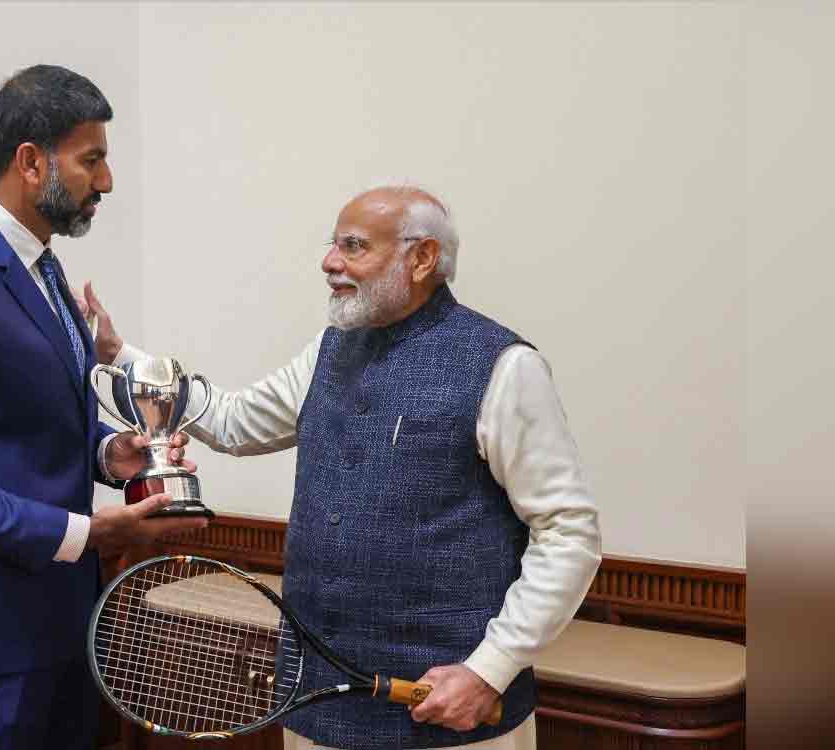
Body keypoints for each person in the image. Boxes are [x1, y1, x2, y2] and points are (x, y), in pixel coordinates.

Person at [86, 186, 602, 750]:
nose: (329, 261)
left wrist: (489, 669)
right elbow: (235, 422)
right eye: (333, 244)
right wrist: (122, 359)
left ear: (422, 258)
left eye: (353, 246)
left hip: (450, 718)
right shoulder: (328, 349)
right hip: (314, 711)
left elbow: (568, 534)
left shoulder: (504, 366)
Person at [0, 64, 207, 750]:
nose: (105, 182)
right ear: (30, 162)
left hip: (62, 625)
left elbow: (25, 421)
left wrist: (111, 455)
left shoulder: (43, 266)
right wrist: (87, 536)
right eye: (92, 160)